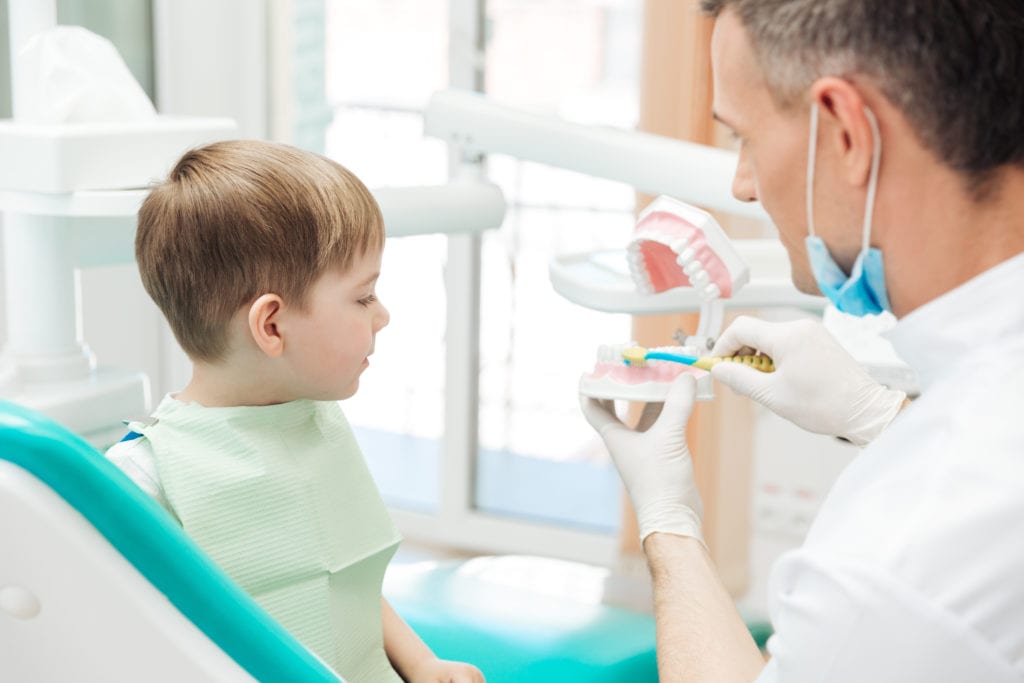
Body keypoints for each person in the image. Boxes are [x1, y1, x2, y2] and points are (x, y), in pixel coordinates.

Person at [582, 1, 1024, 681]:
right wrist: (879, 417)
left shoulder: (902, 553)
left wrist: (667, 521)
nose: (743, 185)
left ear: (847, 131)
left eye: (745, 139)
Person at [106, 140, 484, 683]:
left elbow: (346, 585)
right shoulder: (146, 480)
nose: (384, 316)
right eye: (363, 297)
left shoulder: (312, 418)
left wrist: (423, 664)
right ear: (273, 326)